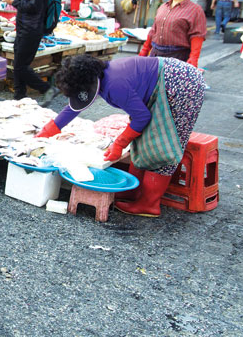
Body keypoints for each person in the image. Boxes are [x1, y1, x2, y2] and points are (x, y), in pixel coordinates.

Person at [37, 54, 205, 217]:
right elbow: (75, 106)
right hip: (171, 79)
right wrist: (50, 129)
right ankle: (132, 192)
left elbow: (142, 117)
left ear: (86, 84)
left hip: (181, 85)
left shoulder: (114, 84)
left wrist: (119, 144)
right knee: (141, 138)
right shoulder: (100, 77)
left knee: (161, 142)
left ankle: (149, 204)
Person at [3, 0, 59, 105]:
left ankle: (47, 89)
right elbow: (31, 2)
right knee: (19, 64)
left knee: (20, 66)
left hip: (31, 30)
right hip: (24, 29)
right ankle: (19, 97)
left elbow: (34, 7)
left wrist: (15, 2)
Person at [138, 0, 206, 66]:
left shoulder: (195, 10)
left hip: (178, 56)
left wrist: (193, 59)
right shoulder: (163, 7)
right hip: (156, 54)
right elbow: (153, 31)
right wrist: (144, 51)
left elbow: (197, 36)